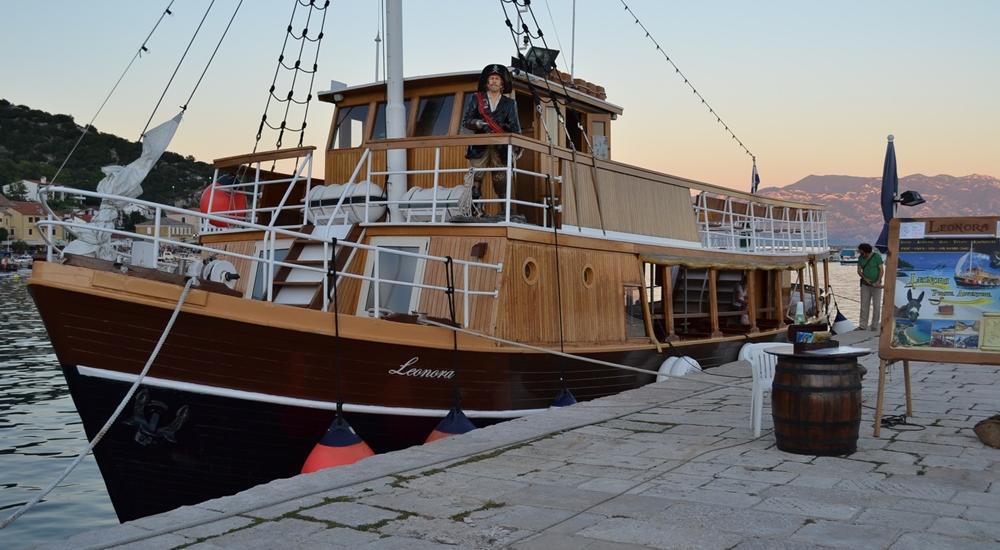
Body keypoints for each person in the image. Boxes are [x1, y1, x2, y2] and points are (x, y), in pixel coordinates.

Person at [461, 64, 521, 208]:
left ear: (502, 84)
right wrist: (479, 123)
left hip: (500, 147)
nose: (494, 81)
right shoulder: (477, 98)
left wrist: (515, 148)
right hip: (479, 146)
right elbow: (466, 121)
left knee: (501, 179)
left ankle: (504, 211)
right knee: (476, 178)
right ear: (487, 83)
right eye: (491, 78)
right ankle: (474, 211)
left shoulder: (510, 103)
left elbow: (515, 128)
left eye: (497, 79)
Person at [857, 242, 884, 331]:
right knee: (864, 305)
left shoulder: (877, 257)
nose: (861, 254)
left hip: (877, 285)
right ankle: (862, 325)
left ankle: (874, 325)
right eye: (860, 252)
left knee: (876, 305)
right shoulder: (860, 258)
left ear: (867, 251)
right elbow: (859, 271)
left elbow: (881, 270)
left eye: (862, 252)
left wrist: (878, 281)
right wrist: (865, 278)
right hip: (865, 285)